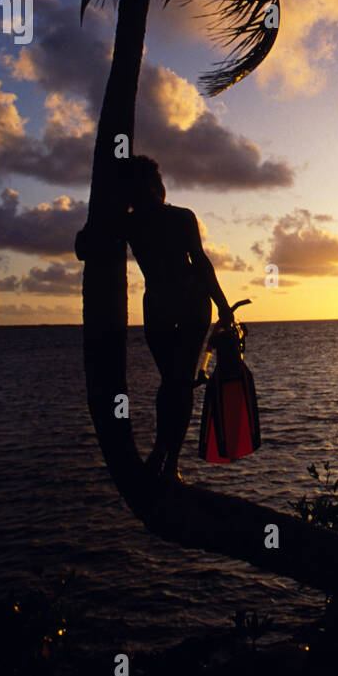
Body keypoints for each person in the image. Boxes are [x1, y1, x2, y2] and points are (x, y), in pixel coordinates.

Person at [80, 156, 233, 484]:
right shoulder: (143, 221)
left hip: (184, 306)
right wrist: (222, 307)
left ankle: (166, 458)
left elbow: (202, 264)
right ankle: (167, 459)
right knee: (176, 382)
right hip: (172, 306)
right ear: (151, 187)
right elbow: (84, 247)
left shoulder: (145, 221)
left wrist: (223, 307)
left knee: (177, 381)